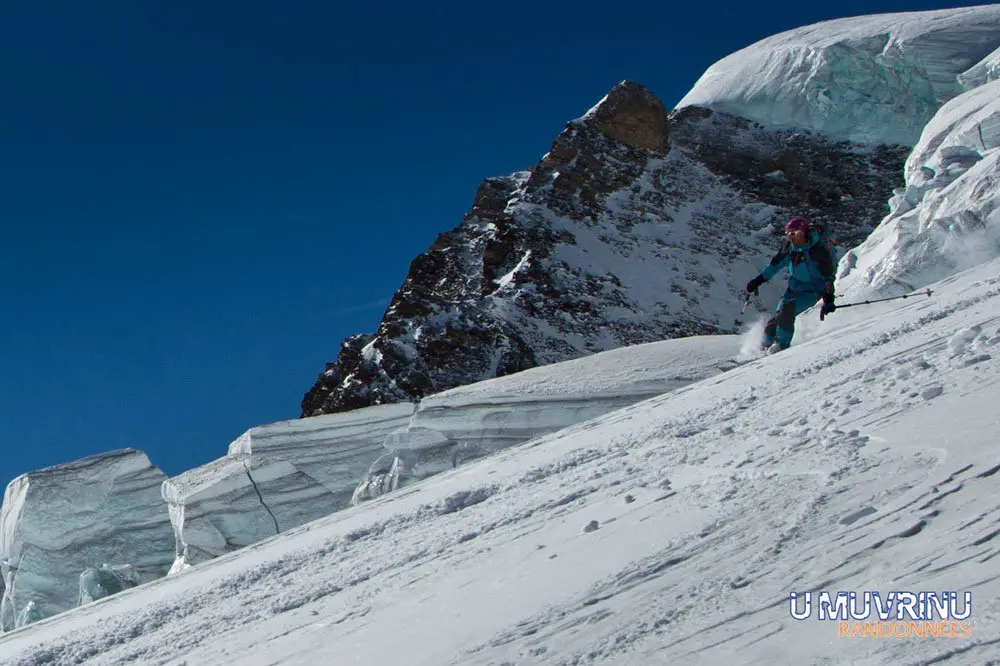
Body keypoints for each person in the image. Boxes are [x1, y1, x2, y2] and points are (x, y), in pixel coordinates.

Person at [746, 216, 837, 352]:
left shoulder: (818, 250)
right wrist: (757, 281)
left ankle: (782, 347)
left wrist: (828, 298)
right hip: (794, 289)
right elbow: (774, 266)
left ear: (803, 232)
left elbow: (828, 276)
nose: (790, 237)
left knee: (787, 310)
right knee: (775, 320)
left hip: (813, 291)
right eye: (787, 233)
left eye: (793, 233)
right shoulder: (790, 248)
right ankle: (762, 349)